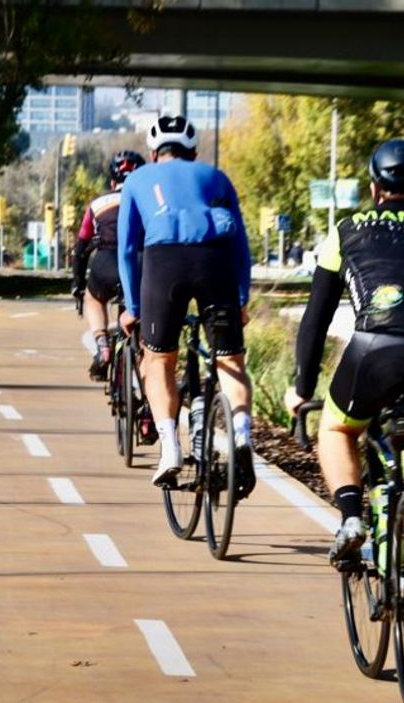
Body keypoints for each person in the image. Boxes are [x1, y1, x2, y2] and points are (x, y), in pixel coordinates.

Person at [284, 138, 404, 666]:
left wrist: (302, 387)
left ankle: (350, 516)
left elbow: (317, 317)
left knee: (338, 429)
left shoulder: (348, 230)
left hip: (376, 351)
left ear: (374, 188)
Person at [117, 115, 256, 497]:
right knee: (230, 361)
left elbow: (128, 249)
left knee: (159, 360)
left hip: (165, 265)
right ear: (194, 153)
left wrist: (132, 306)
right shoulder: (217, 176)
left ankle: (170, 450)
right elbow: (241, 245)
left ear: (152, 153)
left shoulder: (136, 180)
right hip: (216, 263)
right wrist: (242, 297)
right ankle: (242, 436)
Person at [73, 150, 146, 380]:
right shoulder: (151, 200)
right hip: (141, 263)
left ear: (112, 182)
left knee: (93, 298)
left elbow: (80, 249)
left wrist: (78, 285)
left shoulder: (97, 204)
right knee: (145, 332)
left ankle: (102, 344)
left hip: (105, 264)